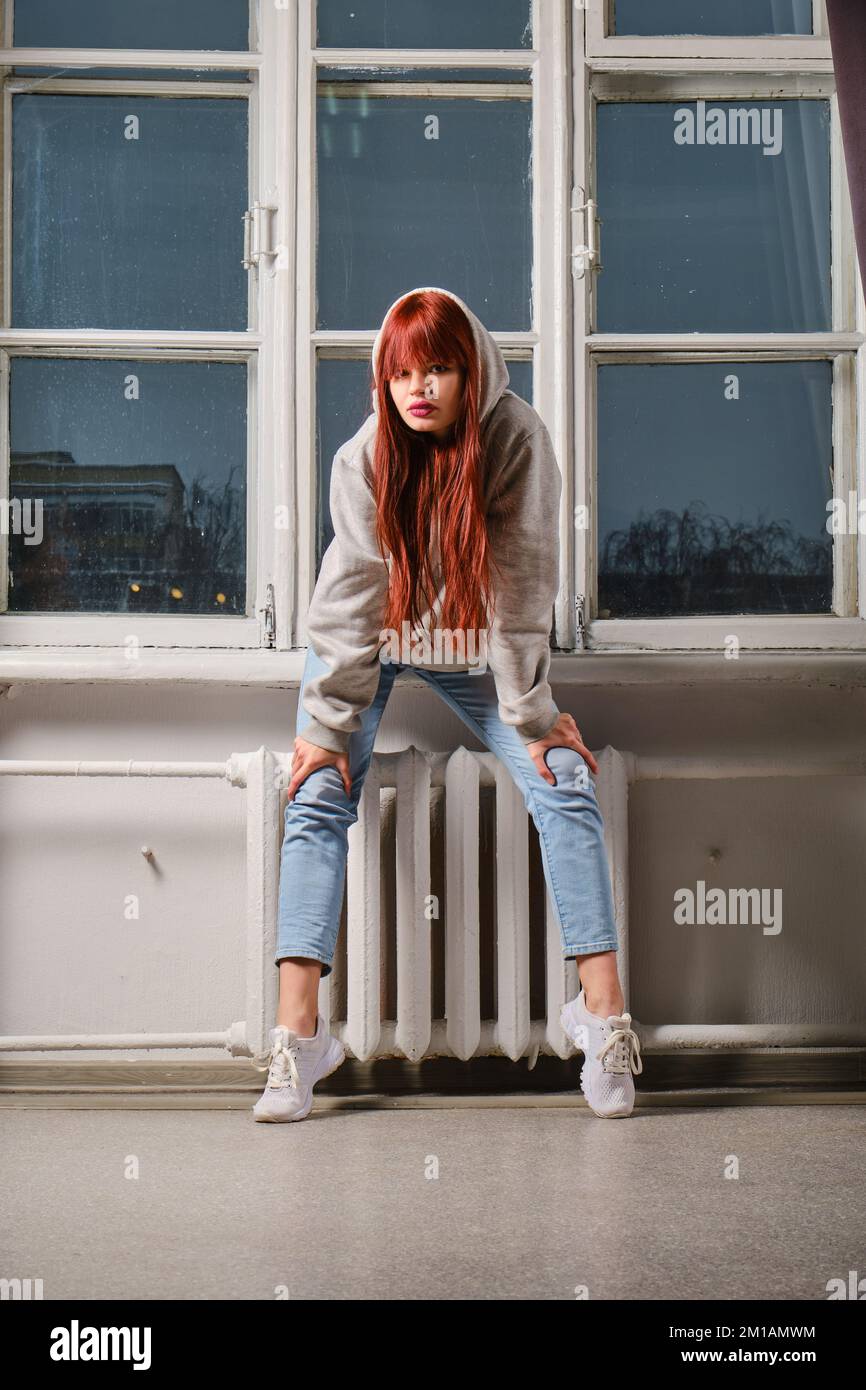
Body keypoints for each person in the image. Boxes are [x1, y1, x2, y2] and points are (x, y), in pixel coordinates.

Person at [253, 287, 642, 1123]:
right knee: (316, 791)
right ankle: (299, 1040)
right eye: (401, 373)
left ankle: (603, 1021)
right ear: (382, 383)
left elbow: (521, 588)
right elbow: (352, 601)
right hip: (370, 642)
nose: (418, 387)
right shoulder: (364, 458)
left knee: (566, 778)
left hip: (474, 645)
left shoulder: (517, 440)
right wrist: (326, 726)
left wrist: (535, 716)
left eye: (437, 368)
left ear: (473, 374)